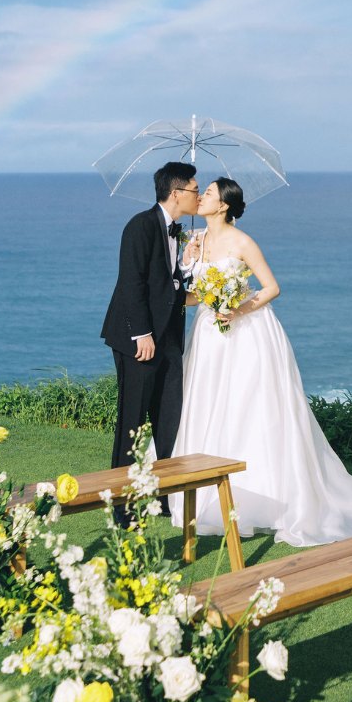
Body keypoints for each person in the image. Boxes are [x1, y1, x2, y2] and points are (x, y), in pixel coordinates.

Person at [170, 178, 352, 547]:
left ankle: (265, 494)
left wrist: (238, 308)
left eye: (208, 193)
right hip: (210, 336)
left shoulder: (243, 242)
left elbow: (271, 287)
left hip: (248, 333)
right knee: (211, 405)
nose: (201, 198)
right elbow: (193, 297)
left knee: (252, 407)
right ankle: (206, 491)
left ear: (224, 205)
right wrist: (187, 264)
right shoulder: (196, 241)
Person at [100, 162, 201, 487]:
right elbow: (132, 283)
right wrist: (142, 334)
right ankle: (120, 501)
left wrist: (187, 264)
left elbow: (166, 285)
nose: (198, 196)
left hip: (170, 339)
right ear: (176, 193)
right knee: (133, 421)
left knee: (169, 418)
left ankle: (165, 496)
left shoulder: (177, 231)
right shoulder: (140, 226)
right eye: (195, 190)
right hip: (137, 340)